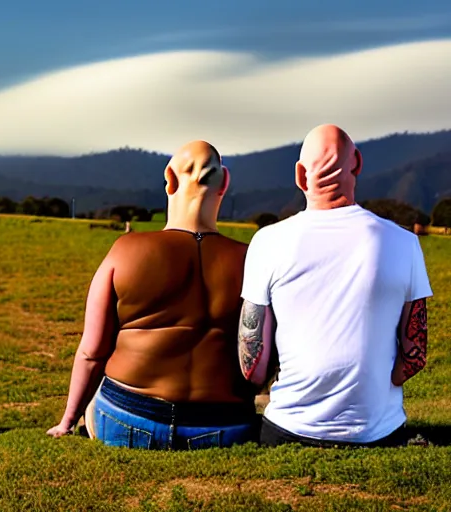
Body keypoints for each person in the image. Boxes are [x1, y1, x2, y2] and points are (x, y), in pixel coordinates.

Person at [47, 140, 257, 449]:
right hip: (225, 424)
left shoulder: (126, 250)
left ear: (169, 179)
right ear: (224, 181)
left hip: (129, 417)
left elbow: (92, 352)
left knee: (95, 405)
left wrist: (67, 421)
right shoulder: (251, 259)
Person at [238, 124, 433, 448]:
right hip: (377, 433)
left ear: (301, 176)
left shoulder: (267, 242)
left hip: (287, 428)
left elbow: (252, 367)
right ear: (356, 163)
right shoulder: (404, 242)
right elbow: (415, 356)